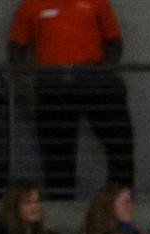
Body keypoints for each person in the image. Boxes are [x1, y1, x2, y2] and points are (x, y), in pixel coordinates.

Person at [8, 0, 130, 194]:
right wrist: (24, 87)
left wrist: (102, 73)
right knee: (56, 153)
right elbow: (15, 49)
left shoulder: (97, 2)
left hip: (92, 77)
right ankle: (60, 204)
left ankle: (121, 199)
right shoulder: (31, 5)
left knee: (120, 141)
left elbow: (114, 42)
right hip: (52, 82)